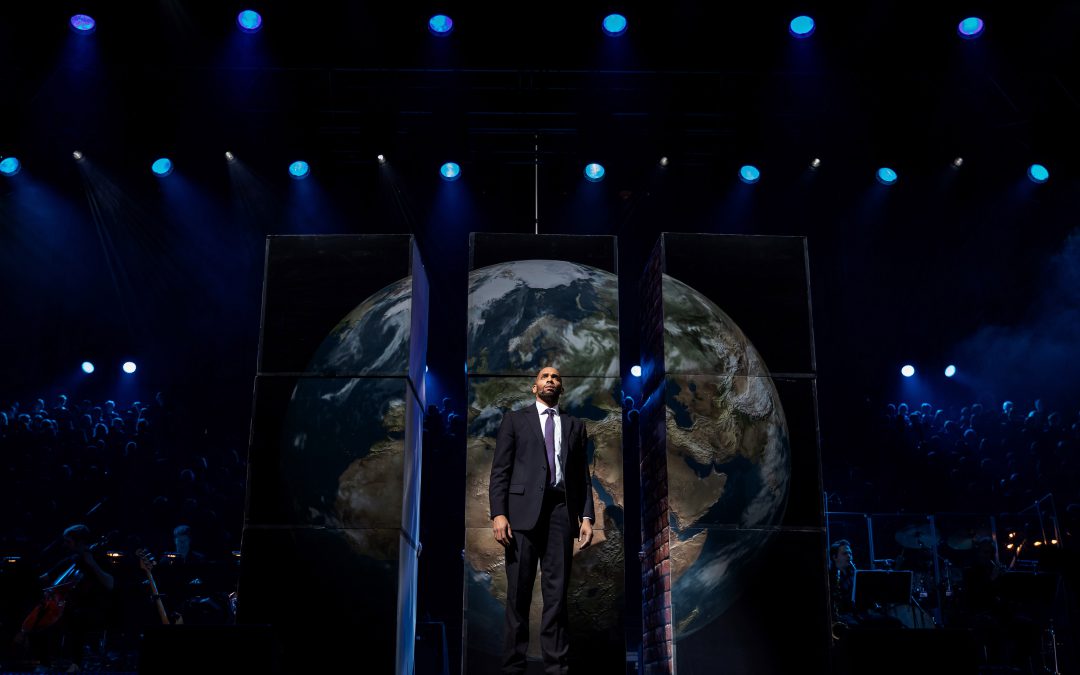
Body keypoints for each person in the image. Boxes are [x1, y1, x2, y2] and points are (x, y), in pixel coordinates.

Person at [489, 366, 595, 674]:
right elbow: (500, 471)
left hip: (561, 513)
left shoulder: (575, 426)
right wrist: (498, 513)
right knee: (518, 596)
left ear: (561, 388)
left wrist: (587, 516)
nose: (550, 380)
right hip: (520, 517)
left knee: (556, 597)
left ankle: (556, 669)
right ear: (534, 387)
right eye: (544, 377)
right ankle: (513, 668)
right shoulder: (515, 420)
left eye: (556, 377)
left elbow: (582, 477)